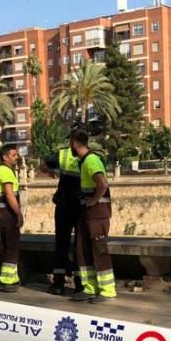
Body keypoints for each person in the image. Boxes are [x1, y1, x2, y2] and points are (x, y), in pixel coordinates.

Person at [70, 129, 116, 303]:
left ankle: (107, 290)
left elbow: (102, 184)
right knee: (82, 249)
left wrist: (94, 200)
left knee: (99, 250)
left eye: (70, 144)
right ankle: (90, 287)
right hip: (87, 214)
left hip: (96, 214)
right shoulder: (85, 162)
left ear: (74, 143)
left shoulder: (91, 160)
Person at [39, 137, 82, 295]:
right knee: (80, 245)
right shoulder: (90, 156)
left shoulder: (62, 155)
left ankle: (58, 283)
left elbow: (42, 166)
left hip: (64, 204)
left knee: (61, 243)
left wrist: (52, 172)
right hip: (81, 205)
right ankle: (80, 284)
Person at [0, 144, 23, 292]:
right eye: (13, 155)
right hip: (7, 213)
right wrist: (18, 213)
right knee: (12, 247)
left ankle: (12, 277)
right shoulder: (5, 171)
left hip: (1, 213)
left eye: (16, 154)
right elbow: (10, 195)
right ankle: (6, 280)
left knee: (9, 245)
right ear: (5, 157)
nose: (17, 157)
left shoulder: (2, 170)